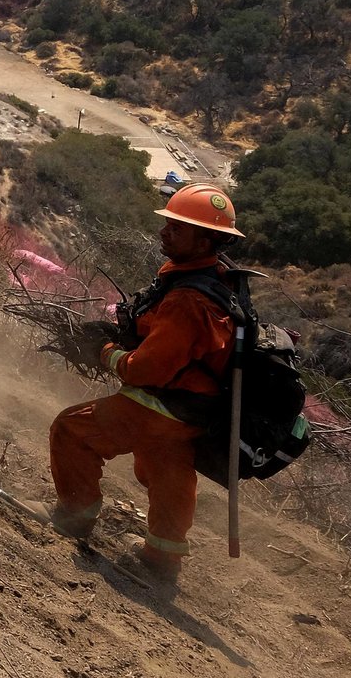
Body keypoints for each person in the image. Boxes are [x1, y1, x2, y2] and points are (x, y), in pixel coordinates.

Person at [47, 182, 247, 589]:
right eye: (169, 223)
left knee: (73, 430)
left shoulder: (188, 301)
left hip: (164, 403)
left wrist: (103, 351)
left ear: (205, 239)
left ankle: (76, 517)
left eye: (177, 228)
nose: (164, 231)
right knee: (167, 467)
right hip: (197, 411)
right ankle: (162, 558)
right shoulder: (218, 278)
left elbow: (144, 372)